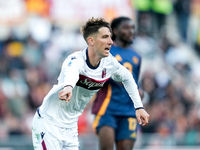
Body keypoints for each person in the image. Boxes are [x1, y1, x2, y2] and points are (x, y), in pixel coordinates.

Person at [32, 17, 149, 150]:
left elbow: (127, 78)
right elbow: (72, 72)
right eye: (105, 37)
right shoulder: (75, 60)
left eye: (110, 37)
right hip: (49, 122)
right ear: (91, 41)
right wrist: (68, 86)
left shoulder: (109, 62)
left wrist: (139, 107)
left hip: (70, 127)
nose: (110, 42)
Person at [92, 17, 144, 150]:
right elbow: (95, 75)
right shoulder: (106, 51)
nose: (131, 31)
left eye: (132, 28)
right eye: (126, 28)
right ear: (115, 31)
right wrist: (117, 78)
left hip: (129, 110)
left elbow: (135, 81)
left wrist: (139, 91)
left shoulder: (136, 56)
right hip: (107, 108)